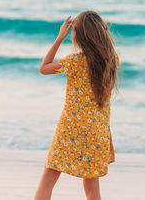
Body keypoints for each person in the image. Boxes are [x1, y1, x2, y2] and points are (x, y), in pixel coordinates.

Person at [34, 10, 120, 200]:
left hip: (72, 128)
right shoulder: (112, 60)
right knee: (92, 186)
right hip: (98, 129)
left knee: (50, 175)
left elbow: (44, 68)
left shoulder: (75, 62)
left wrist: (59, 38)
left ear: (79, 37)